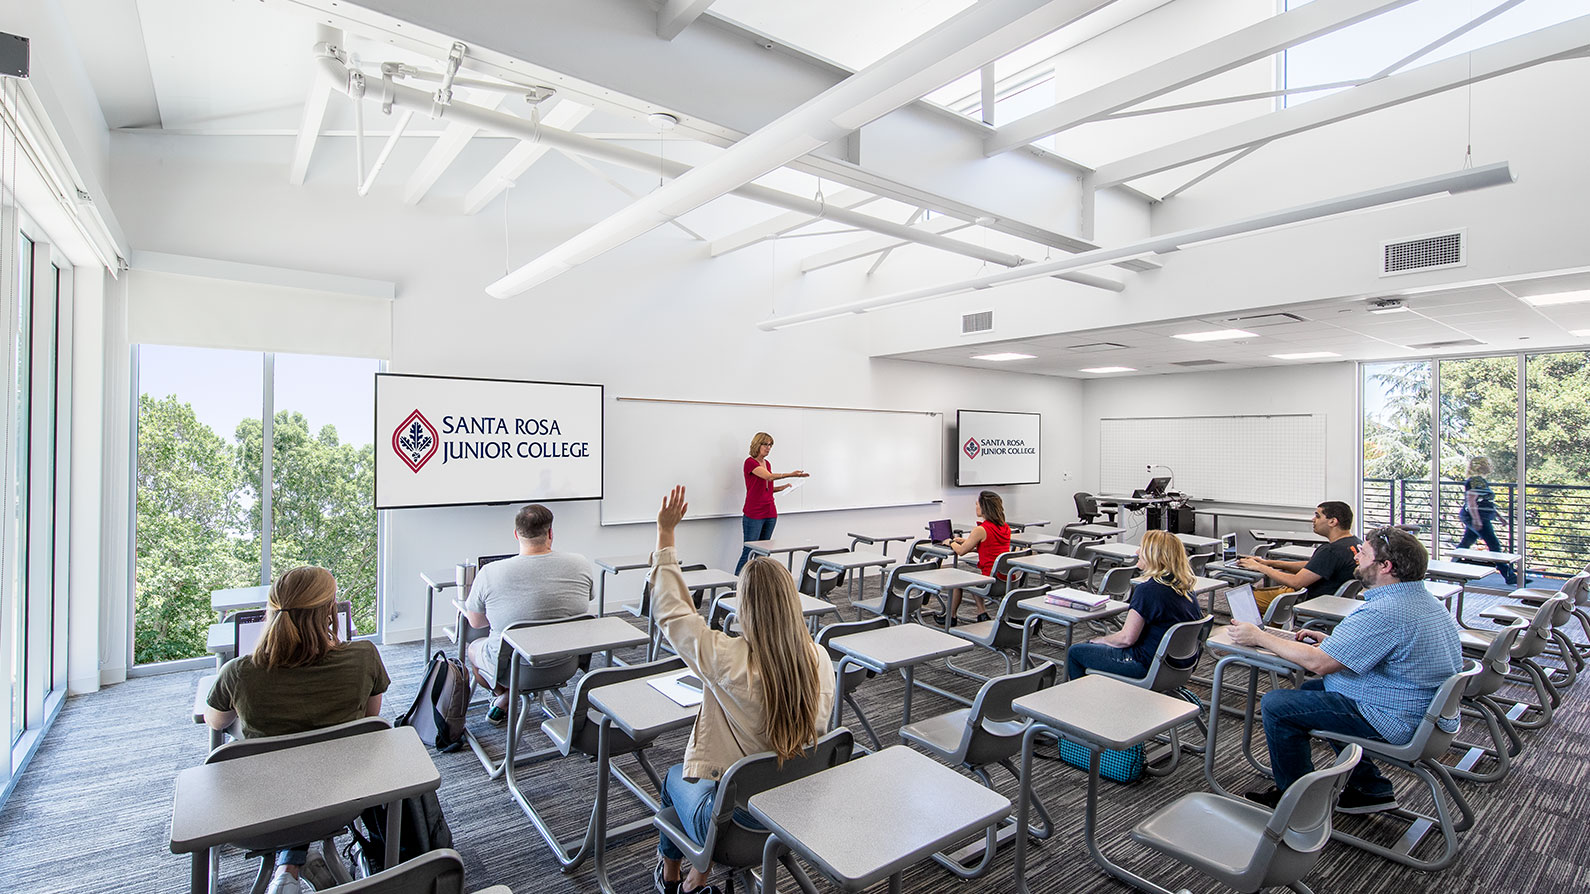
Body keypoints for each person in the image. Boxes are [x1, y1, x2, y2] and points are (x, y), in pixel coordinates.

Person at [650, 486, 834, 894]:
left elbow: (673, 613)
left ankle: (673, 876)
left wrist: (666, 536)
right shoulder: (820, 658)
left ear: (744, 607)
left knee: (674, 779)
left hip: (737, 829)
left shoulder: (729, 660)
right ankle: (696, 874)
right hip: (797, 810)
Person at [1230, 527, 1462, 814]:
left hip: (1397, 719)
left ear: (1385, 566)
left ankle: (1295, 802)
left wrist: (1259, 637)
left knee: (1276, 704)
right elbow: (1387, 651)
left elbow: (1319, 664)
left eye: (1363, 554)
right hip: (1420, 711)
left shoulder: (1385, 611)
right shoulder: (1423, 602)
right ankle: (1368, 787)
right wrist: (1335, 644)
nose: (1356, 559)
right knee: (1312, 692)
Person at [204, 566, 391, 894]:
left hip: (263, 807)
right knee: (312, 762)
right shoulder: (364, 657)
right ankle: (292, 864)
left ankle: (287, 867)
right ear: (331, 612)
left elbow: (215, 722)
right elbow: (370, 718)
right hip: (345, 798)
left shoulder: (238, 673)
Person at [462, 503, 594, 723]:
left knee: (474, 649)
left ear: (516, 534)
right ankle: (506, 698)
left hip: (514, 671)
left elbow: (476, 623)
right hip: (565, 666)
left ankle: (503, 695)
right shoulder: (580, 564)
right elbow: (586, 602)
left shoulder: (491, 572)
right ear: (551, 532)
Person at [1065, 529, 1204, 681]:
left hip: (1145, 666)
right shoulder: (1186, 589)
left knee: (1076, 652)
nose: (1137, 552)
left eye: (1142, 548)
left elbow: (1126, 639)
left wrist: (1101, 640)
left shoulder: (1147, 591)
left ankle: (1082, 701)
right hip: (1177, 667)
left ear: (1154, 556)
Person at [1236, 501, 1361, 612]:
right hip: (1335, 603)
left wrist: (1261, 568)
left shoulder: (1330, 551)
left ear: (1332, 521)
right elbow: (1314, 567)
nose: (1313, 519)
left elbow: (1296, 582)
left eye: (1317, 516)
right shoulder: (1355, 544)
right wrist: (1270, 563)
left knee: (1240, 600)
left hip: (1308, 601)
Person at [930, 490, 1012, 626]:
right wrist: (967, 542)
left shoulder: (981, 529)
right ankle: (982, 614)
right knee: (972, 578)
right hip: (1005, 580)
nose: (976, 507)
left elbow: (961, 552)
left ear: (984, 508)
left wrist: (950, 542)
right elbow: (989, 546)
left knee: (957, 580)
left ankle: (951, 617)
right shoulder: (1005, 528)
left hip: (989, 581)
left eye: (977, 504)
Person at [736, 432, 808, 574]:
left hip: (770, 512)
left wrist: (782, 487)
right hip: (754, 513)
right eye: (765, 444)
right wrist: (792, 474)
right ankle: (736, 586)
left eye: (770, 445)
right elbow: (768, 477)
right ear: (757, 444)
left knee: (762, 554)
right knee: (749, 551)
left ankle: (756, 585)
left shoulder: (767, 463)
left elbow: (764, 487)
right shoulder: (750, 462)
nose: (768, 448)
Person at [1457, 456, 1517, 585]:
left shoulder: (1480, 481)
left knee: (1465, 544)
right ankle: (1509, 576)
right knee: (1494, 545)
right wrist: (1476, 519)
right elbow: (1471, 501)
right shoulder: (1475, 481)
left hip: (1478, 517)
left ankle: (1450, 568)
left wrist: (1499, 516)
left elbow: (1486, 501)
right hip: (1478, 517)